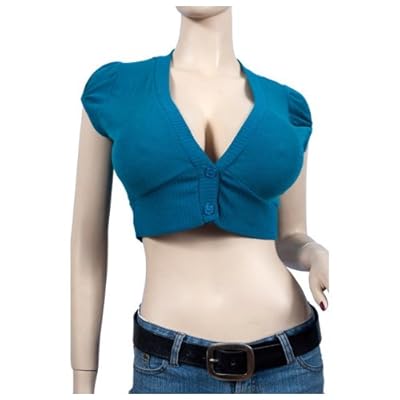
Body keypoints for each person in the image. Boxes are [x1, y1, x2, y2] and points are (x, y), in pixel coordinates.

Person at [71, 5, 329, 394]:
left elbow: (290, 236)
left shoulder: (288, 109)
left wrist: (315, 254)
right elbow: (87, 247)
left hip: (290, 364)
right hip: (170, 368)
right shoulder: (116, 91)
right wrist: (82, 380)